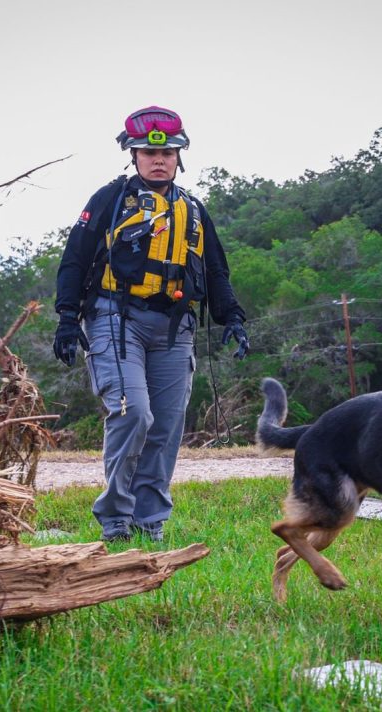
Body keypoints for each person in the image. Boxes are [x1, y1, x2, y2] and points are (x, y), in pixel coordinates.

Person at [54, 106, 249, 542]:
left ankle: (150, 522)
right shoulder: (109, 200)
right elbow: (75, 258)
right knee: (133, 413)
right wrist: (67, 318)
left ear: (180, 156)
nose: (158, 160)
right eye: (147, 152)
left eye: (167, 153)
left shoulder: (193, 209)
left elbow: (216, 271)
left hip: (175, 327)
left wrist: (232, 317)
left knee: (165, 424)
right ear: (133, 155)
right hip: (115, 318)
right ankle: (116, 520)